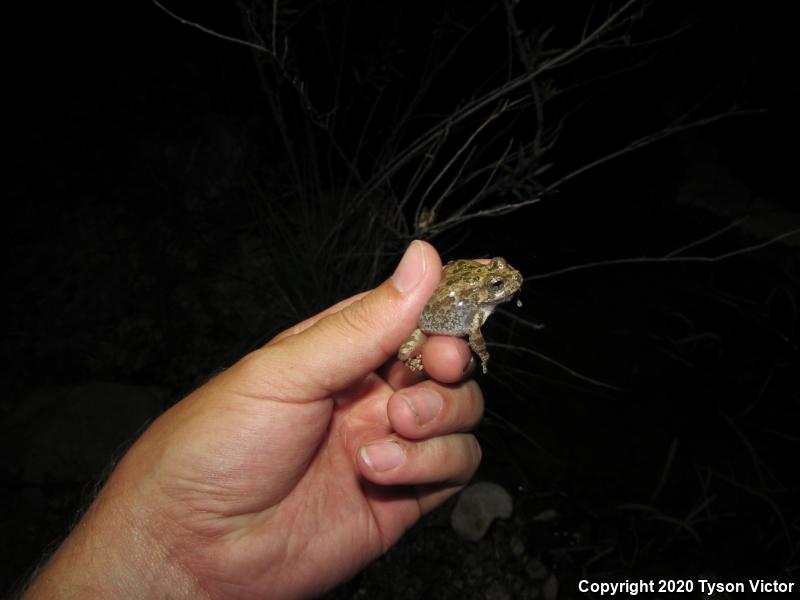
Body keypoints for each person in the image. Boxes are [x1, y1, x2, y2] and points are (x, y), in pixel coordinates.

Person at [23, 241, 484, 599]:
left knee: (437, 379)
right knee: (435, 365)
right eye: (497, 285)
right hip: (424, 327)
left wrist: (169, 549)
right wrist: (168, 547)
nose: (504, 289)